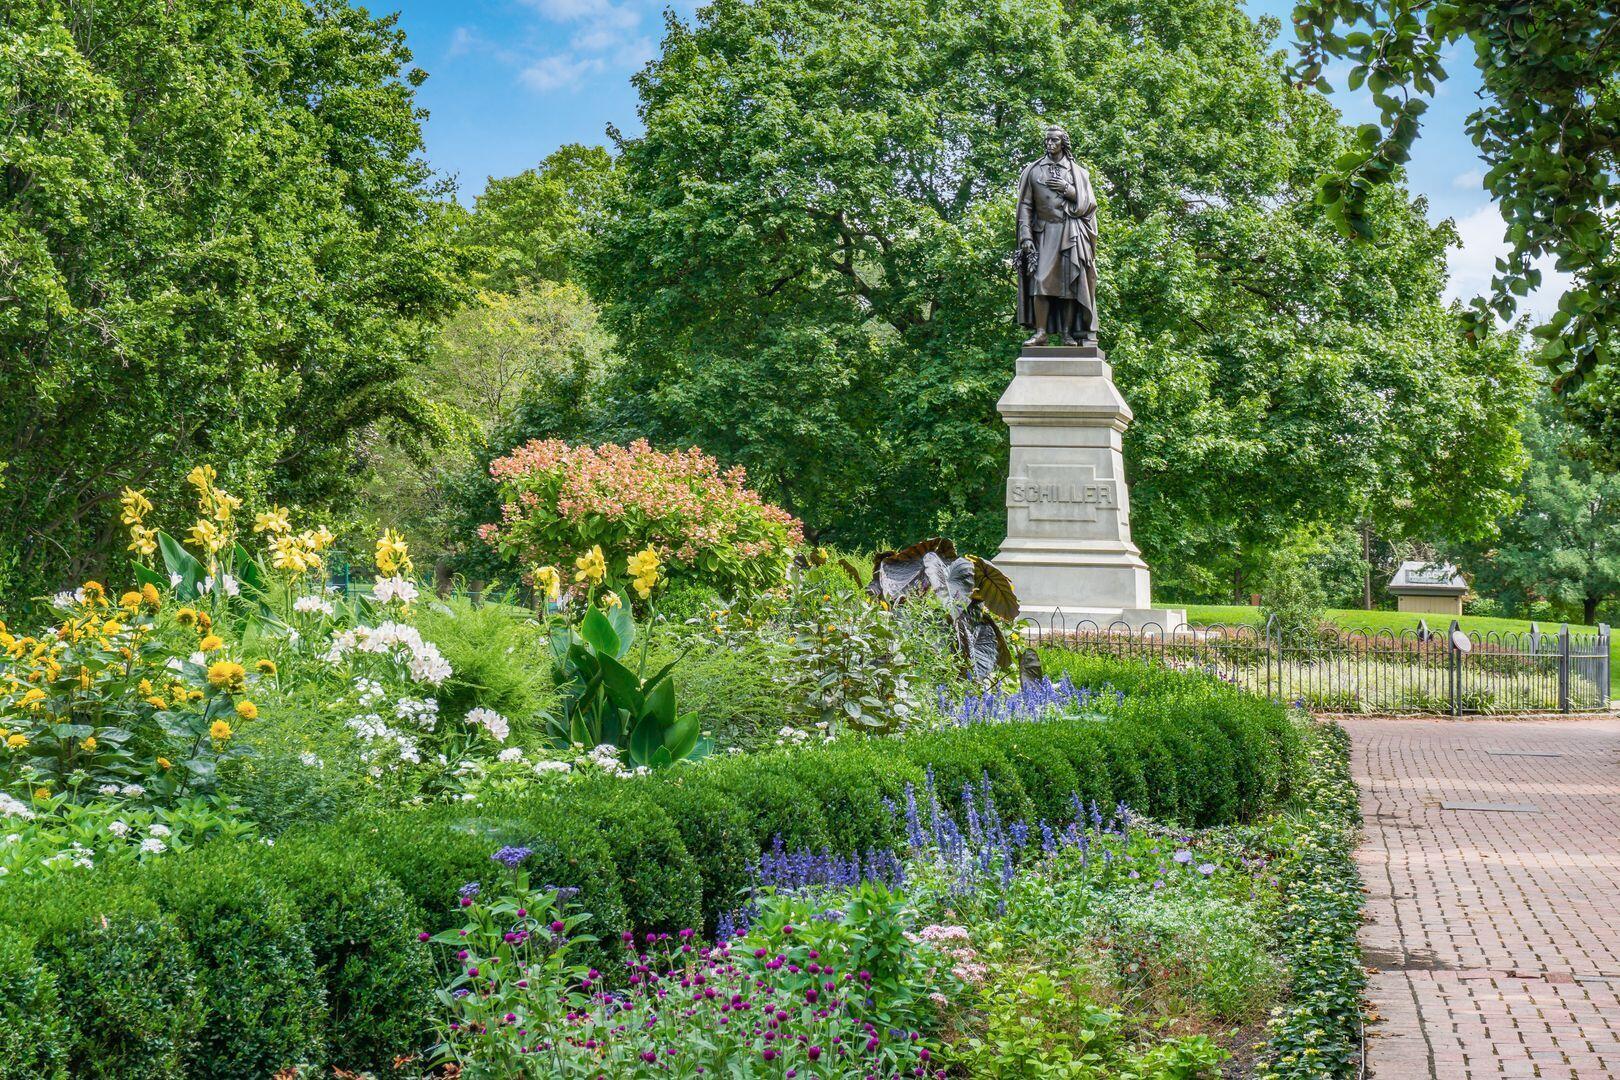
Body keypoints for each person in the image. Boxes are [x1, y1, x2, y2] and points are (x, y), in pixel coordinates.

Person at [1015, 125, 1098, 346]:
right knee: (1041, 281)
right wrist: (1025, 236)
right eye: (1047, 141)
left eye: (1054, 141)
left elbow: (1090, 204)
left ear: (1063, 144)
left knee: (1069, 284)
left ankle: (1067, 333)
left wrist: (1067, 189)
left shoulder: (1077, 172)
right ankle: (1041, 332)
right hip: (1044, 233)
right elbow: (1025, 205)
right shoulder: (1033, 170)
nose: (1050, 144)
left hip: (1070, 232)